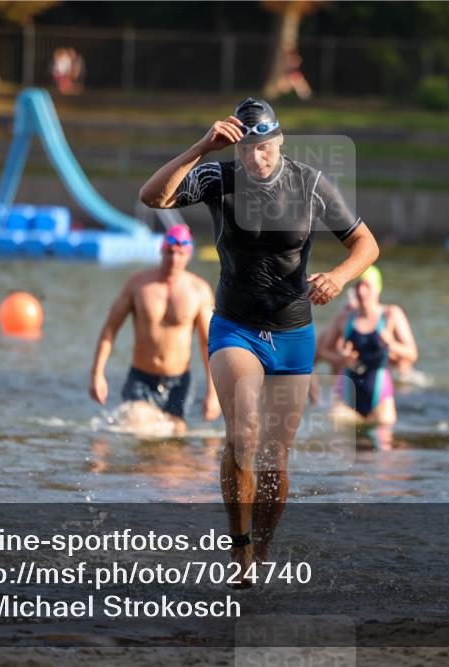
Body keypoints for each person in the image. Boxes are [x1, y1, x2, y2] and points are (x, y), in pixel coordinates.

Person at [138, 97, 378, 585]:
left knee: (275, 461)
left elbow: (365, 244)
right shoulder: (219, 178)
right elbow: (153, 197)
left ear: (279, 141)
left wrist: (339, 276)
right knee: (243, 434)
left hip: (293, 331)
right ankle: (240, 548)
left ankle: (262, 554)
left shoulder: (310, 184)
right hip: (235, 326)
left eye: (264, 147)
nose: (256, 158)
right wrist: (203, 147)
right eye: (247, 148)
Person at [89, 224, 221, 436]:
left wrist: (213, 393)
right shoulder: (138, 284)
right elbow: (110, 330)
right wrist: (97, 374)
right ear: (161, 250)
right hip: (141, 378)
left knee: (175, 440)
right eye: (169, 252)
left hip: (179, 381)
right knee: (140, 428)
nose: (174, 259)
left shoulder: (199, 291)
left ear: (188, 255)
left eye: (180, 254)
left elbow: (208, 344)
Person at [320, 265, 416, 426]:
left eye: (367, 286)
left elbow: (412, 354)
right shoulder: (345, 317)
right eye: (358, 285)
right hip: (347, 393)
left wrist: (391, 344)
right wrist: (341, 359)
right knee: (333, 431)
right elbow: (323, 350)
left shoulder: (391, 314)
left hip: (380, 395)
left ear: (378, 289)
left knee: (383, 444)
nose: (362, 291)